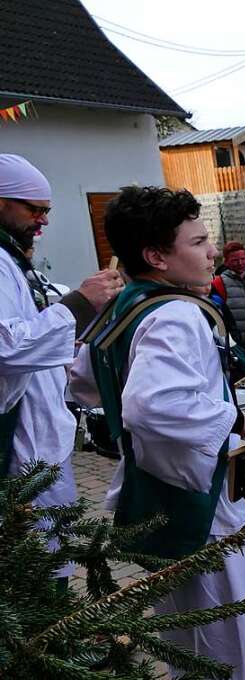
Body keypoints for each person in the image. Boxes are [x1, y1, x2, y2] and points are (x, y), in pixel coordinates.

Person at [69, 185, 245, 680]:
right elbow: (150, 405)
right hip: (200, 504)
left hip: (155, 495)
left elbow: (84, 382)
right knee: (232, 654)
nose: (212, 252)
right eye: (200, 241)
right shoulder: (177, 315)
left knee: (190, 643)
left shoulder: (123, 307)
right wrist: (237, 416)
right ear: (156, 256)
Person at [0, 154, 123, 584]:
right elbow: (9, 346)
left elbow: (36, 336)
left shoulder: (13, 261)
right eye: (34, 209)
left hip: (43, 439)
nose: (43, 221)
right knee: (30, 568)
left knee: (50, 559)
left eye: (47, 211)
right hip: (17, 445)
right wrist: (77, 303)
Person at [210, 241, 245, 373]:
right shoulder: (218, 283)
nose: (240, 263)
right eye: (235, 260)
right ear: (226, 261)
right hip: (238, 346)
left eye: (243, 259)